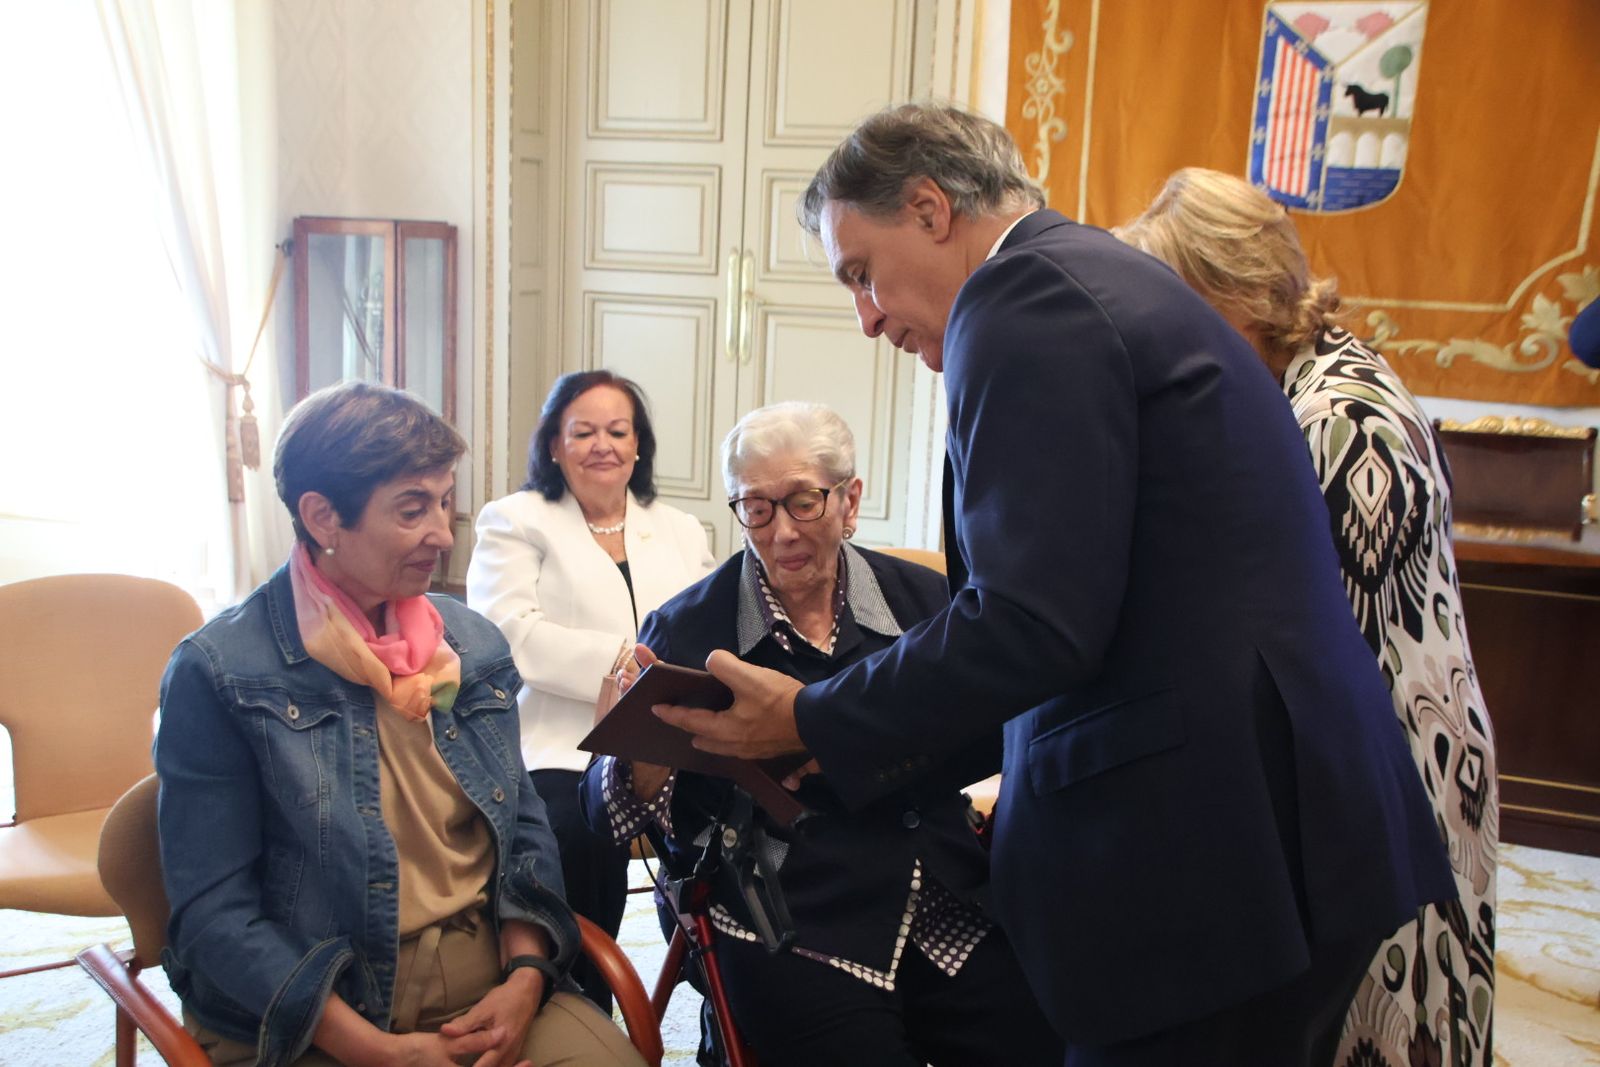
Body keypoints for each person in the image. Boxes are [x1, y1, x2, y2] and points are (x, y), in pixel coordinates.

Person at [652, 102, 1458, 1066]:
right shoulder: (1084, 282)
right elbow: (1092, 617)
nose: (866, 318)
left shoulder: (1025, 302)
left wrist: (813, 719)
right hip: (1270, 834)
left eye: (863, 273)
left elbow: (1034, 622)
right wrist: (836, 756)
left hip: (1208, 859)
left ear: (929, 209)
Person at [1117, 166, 1498, 1065]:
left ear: (1233, 292)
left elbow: (1310, 626)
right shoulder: (1306, 383)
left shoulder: (1336, 416)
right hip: (1378, 756)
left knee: (1377, 1024)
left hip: (1395, 763)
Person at [155, 381, 644, 1067]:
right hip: (318, 1003)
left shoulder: (469, 646)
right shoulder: (221, 672)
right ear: (323, 517)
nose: (444, 534)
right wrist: (381, 1052)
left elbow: (522, 822)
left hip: (487, 984)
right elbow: (214, 917)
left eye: (445, 501)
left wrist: (527, 980)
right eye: (413, 509)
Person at [580, 401, 1061, 1067]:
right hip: (789, 917)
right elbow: (608, 816)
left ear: (849, 500)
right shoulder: (689, 629)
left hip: (939, 887)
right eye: (756, 507)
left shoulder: (930, 603)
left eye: (803, 501)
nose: (781, 531)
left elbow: (998, 730)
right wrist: (639, 765)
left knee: (1043, 1038)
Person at [466, 370, 715, 1010]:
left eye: (617, 430)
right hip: (561, 746)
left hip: (674, 741)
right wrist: (627, 665)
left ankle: (712, 978)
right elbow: (508, 635)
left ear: (638, 446)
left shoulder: (683, 529)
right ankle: (585, 1007)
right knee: (580, 832)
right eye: (583, 431)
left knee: (730, 824)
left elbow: (710, 629)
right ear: (554, 445)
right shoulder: (516, 520)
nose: (602, 444)